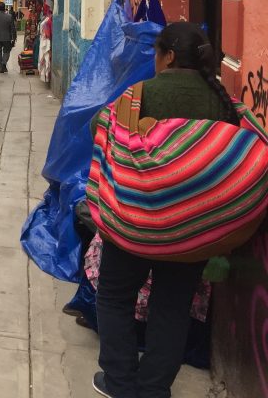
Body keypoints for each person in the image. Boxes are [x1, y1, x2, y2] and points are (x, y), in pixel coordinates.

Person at [91, 22, 239, 398]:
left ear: (169, 56)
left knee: (114, 296)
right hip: (190, 228)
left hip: (135, 220)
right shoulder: (221, 102)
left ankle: (120, 383)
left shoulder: (141, 95)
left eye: (157, 54)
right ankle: (154, 389)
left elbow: (99, 126)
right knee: (172, 308)